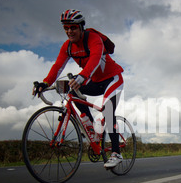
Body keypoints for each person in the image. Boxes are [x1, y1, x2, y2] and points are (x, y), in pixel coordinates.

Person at [33, 9, 124, 168]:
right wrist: (45, 83)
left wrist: (82, 77)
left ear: (81, 27)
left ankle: (116, 153)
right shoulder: (67, 46)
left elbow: (95, 59)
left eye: (73, 27)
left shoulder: (93, 38)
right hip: (93, 81)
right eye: (66, 28)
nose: (69, 31)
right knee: (70, 88)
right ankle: (90, 125)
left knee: (108, 111)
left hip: (112, 79)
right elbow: (58, 66)